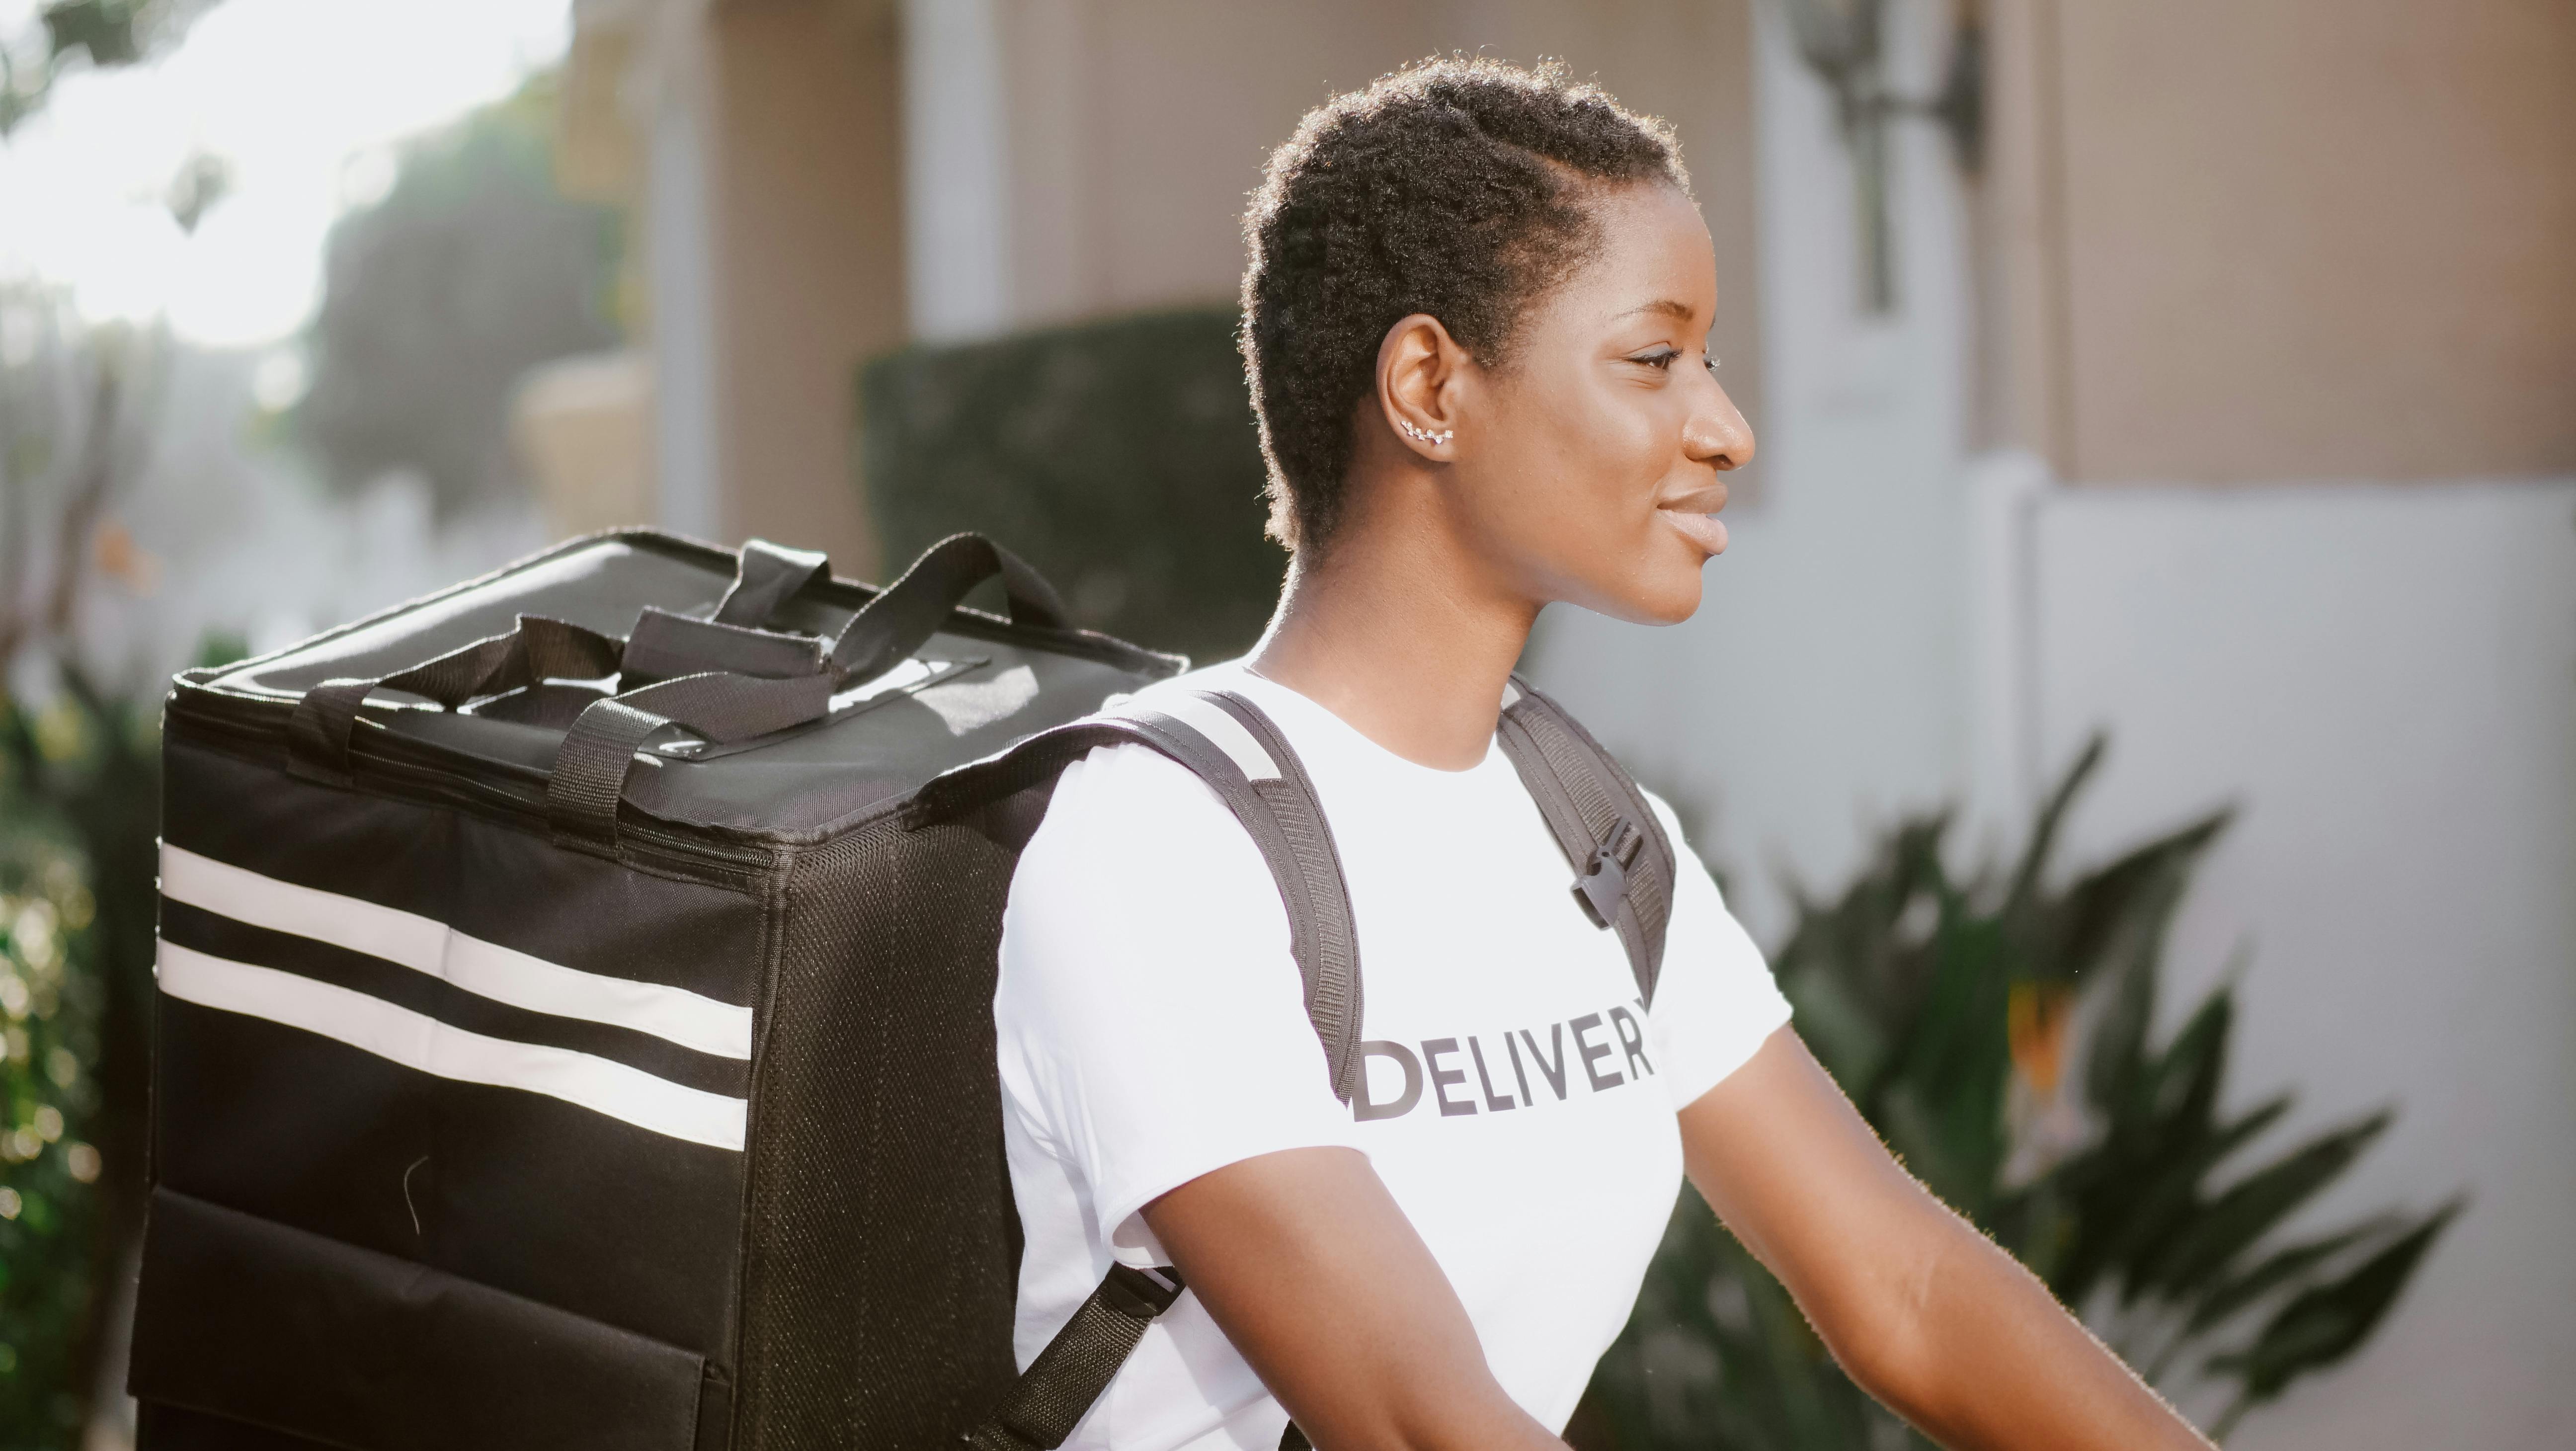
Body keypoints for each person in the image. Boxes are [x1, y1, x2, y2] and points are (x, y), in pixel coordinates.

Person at [993, 57, 2214, 1451]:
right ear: (1429, 387)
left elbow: (1908, 1287)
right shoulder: (1155, 839)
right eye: (1655, 357)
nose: (1727, 427)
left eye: (1712, 360)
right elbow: (1414, 1418)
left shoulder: (1584, 828)